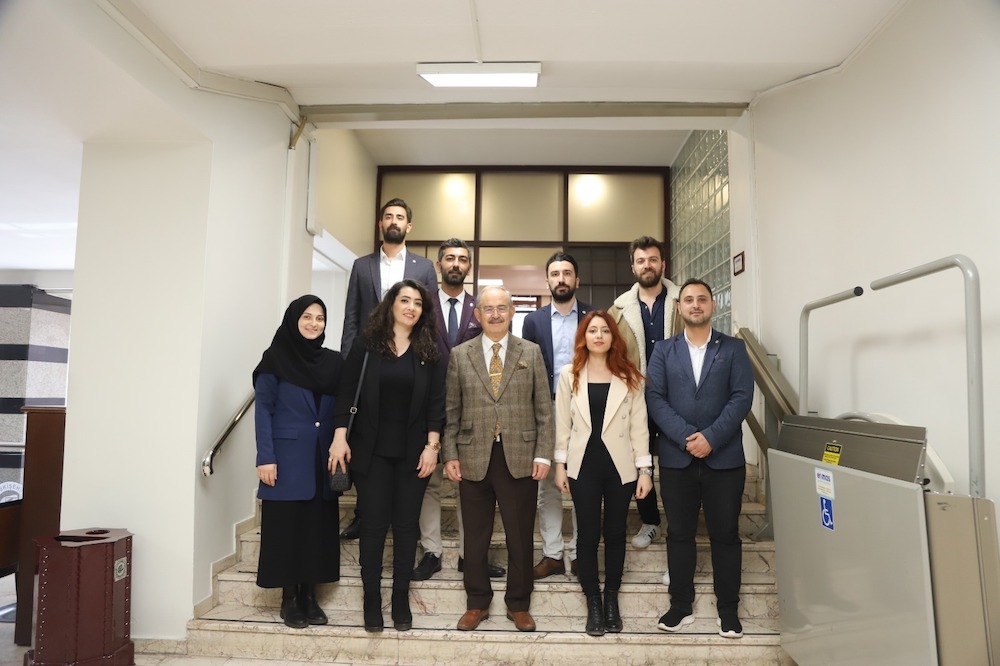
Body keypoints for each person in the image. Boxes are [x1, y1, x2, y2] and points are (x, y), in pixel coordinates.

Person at [328, 279, 446, 633]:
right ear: (391, 304)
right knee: (374, 526)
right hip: (371, 451)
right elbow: (346, 392)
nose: (411, 307)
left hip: (414, 454)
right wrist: (339, 437)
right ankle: (371, 599)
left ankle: (399, 598)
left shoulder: (429, 349)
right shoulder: (366, 345)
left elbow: (436, 404)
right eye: (404, 300)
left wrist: (432, 447)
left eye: (418, 303)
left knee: (407, 528)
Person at [645, 279, 753, 639]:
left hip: (725, 459)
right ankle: (680, 605)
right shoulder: (663, 350)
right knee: (679, 534)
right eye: (688, 300)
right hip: (677, 459)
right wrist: (687, 437)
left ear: (713, 305)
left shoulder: (734, 348)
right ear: (679, 308)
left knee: (726, 534)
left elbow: (741, 397)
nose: (695, 305)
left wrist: (711, 438)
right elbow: (655, 398)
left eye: (701, 299)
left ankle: (728, 609)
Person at [442, 286, 553, 633]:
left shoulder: (530, 352)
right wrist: (449, 454)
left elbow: (544, 410)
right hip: (472, 456)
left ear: (512, 312)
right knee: (475, 538)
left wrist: (543, 453)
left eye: (501, 308)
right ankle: (477, 602)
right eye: (488, 309)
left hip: (520, 456)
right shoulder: (460, 355)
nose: (495, 314)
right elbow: (451, 411)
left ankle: (518, 604)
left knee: (520, 536)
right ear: (477, 315)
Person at [339, 197, 438, 540]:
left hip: (408, 361)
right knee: (366, 436)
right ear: (380, 224)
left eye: (400, 217)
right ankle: (364, 511)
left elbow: (431, 317)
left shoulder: (424, 267)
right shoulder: (361, 265)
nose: (394, 221)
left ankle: (398, 514)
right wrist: (349, 363)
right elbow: (352, 316)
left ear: (409, 226)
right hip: (370, 360)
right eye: (388, 216)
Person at [553, 311, 653, 636]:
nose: (599, 336)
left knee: (615, 533)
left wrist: (645, 470)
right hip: (582, 465)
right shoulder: (569, 374)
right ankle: (593, 601)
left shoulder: (629, 375)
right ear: (584, 337)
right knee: (587, 535)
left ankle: (612, 598)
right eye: (593, 330)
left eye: (605, 331)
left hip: (620, 467)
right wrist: (559, 465)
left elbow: (639, 428)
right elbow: (562, 425)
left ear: (613, 337)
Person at [413, 238, 506, 581]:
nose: (456, 264)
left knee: (471, 485)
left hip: (471, 408)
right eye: (450, 258)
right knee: (429, 482)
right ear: (438, 265)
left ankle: (472, 555)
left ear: (469, 267)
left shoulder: (479, 308)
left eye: (462, 259)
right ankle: (431, 551)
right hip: (426, 404)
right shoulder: (422, 305)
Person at [253, 295, 344, 629]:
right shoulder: (275, 358)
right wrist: (265, 457)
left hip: (323, 458)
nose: (313, 323)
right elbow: (263, 410)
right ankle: (289, 598)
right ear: (293, 319)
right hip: (286, 458)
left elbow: (342, 406)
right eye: (307, 317)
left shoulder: (333, 362)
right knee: (287, 529)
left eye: (320, 318)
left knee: (316, 530)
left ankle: (310, 596)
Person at [607, 236, 681, 583]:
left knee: (676, 466)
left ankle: (678, 533)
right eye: (641, 260)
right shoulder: (618, 309)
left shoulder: (682, 301)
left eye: (653, 259)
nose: (647, 265)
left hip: (677, 399)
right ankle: (650, 521)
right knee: (641, 462)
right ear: (633, 267)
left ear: (662, 264)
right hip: (636, 398)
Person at [521, 252, 592, 579]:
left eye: (566, 273)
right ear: (547, 280)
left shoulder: (593, 316)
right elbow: (527, 370)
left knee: (582, 482)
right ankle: (552, 554)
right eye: (555, 274)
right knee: (547, 483)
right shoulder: (533, 322)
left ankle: (580, 553)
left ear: (577, 280)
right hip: (546, 408)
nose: (561, 279)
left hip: (585, 408)